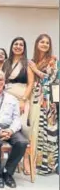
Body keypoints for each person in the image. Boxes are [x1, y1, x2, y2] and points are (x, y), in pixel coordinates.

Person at [2, 37, 34, 175]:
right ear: (12, 46)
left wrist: (23, 99)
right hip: (7, 98)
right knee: (8, 126)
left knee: (23, 127)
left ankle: (25, 158)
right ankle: (11, 158)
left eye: (21, 45)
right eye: (16, 44)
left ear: (24, 48)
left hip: (22, 97)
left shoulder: (27, 63)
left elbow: (31, 83)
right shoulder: (6, 63)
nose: (18, 46)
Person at [28, 34, 58, 175]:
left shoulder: (53, 60)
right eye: (42, 42)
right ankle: (35, 162)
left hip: (49, 100)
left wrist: (35, 70)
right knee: (36, 130)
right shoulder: (33, 60)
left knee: (48, 130)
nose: (45, 44)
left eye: (47, 42)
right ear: (37, 43)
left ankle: (48, 164)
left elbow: (51, 79)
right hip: (35, 98)